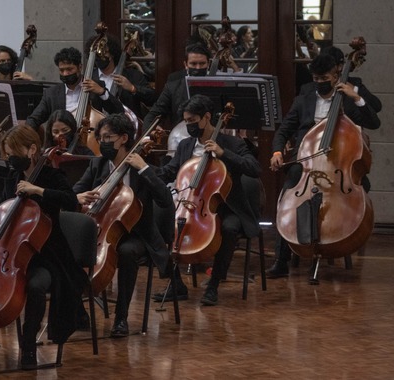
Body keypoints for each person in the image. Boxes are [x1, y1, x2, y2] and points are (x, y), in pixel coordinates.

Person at [0, 125, 87, 369]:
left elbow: (71, 201)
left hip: (47, 256)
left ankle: (28, 347)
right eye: (7, 155)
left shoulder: (52, 176)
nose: (10, 159)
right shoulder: (12, 176)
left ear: (32, 149)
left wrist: (38, 190)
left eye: (13, 153)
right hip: (11, 253)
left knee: (36, 286)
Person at [267, 53, 381, 278]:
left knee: (358, 191)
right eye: (316, 78)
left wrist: (356, 98)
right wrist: (278, 151)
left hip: (341, 166)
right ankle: (281, 260)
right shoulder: (304, 98)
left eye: (324, 78)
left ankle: (339, 239)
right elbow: (284, 129)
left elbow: (373, 122)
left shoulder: (348, 97)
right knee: (287, 195)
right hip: (307, 164)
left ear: (336, 74)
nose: (319, 82)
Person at [151, 94, 261, 305]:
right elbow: (170, 172)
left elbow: (254, 169)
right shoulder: (185, 145)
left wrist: (223, 153)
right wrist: (146, 169)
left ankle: (213, 285)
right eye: (186, 121)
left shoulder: (232, 143)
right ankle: (176, 284)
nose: (189, 125)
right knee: (156, 223)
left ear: (207, 117)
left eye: (193, 120)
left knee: (228, 229)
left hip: (228, 207)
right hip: (191, 204)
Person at [73, 114, 173, 336]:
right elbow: (73, 193)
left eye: (108, 137)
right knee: (68, 248)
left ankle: (121, 318)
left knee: (127, 252)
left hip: (136, 234)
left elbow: (165, 200)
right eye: (100, 137)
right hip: (101, 229)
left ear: (124, 138)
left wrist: (144, 169)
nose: (102, 142)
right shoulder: (97, 164)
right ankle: (79, 312)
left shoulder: (144, 168)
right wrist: (80, 196)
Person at [25, 47, 124, 131]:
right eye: (62, 70)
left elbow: (118, 111)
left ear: (80, 67)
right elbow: (34, 119)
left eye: (69, 69)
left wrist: (102, 92)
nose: (65, 73)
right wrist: (24, 132)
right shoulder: (51, 94)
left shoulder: (96, 85)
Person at [85, 34, 156, 120]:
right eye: (96, 55)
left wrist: (132, 88)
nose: (99, 57)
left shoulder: (133, 75)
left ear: (112, 54)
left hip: (128, 125)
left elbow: (152, 98)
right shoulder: (89, 77)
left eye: (103, 53)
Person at [143, 43, 211, 129]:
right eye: (193, 64)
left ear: (208, 64)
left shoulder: (218, 87)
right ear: (186, 65)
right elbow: (152, 115)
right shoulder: (172, 87)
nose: (198, 68)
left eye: (202, 64)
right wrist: (152, 131)